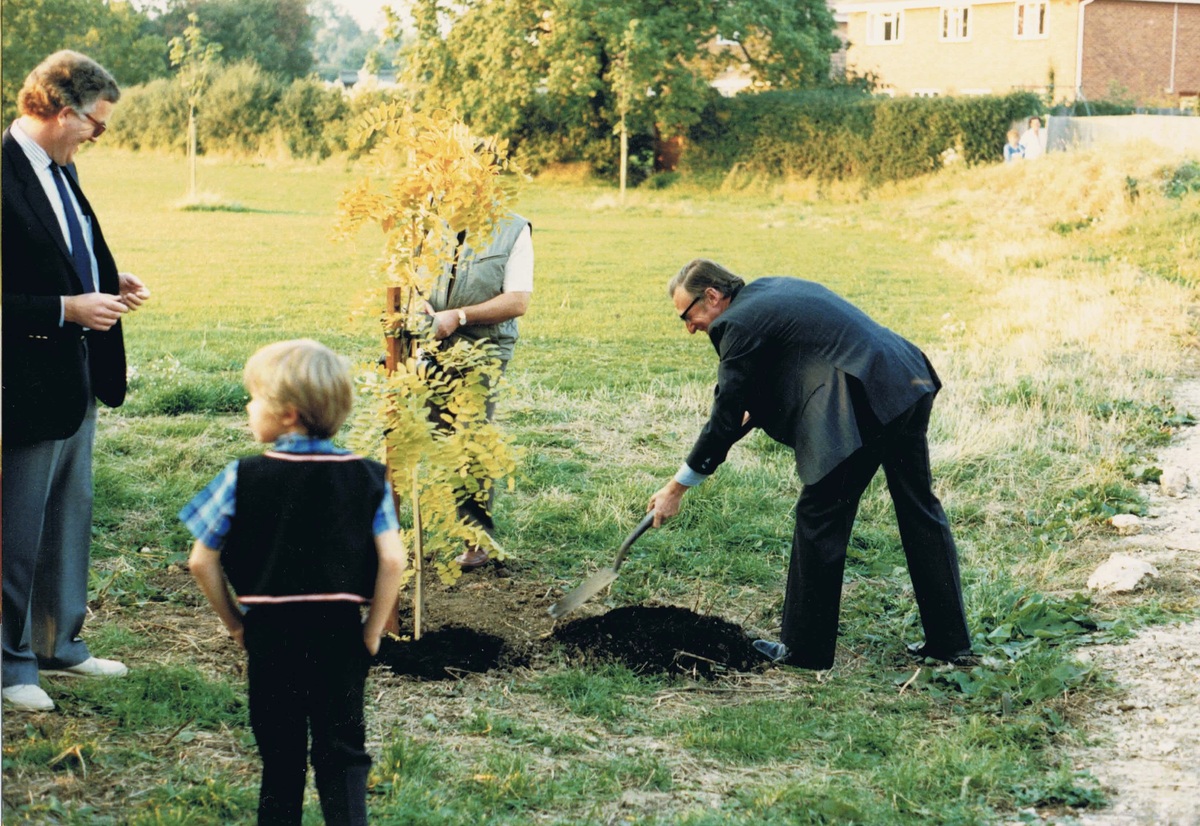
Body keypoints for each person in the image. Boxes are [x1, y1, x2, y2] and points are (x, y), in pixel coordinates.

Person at [647, 260, 973, 671]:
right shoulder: (767, 292)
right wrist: (741, 420)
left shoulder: (736, 324)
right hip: (905, 379)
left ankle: (804, 650)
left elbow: (725, 416)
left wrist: (676, 488)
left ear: (711, 296)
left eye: (688, 315)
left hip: (864, 400)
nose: (690, 327)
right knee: (919, 508)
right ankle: (950, 642)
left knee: (819, 515)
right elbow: (761, 389)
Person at [181, 339, 407, 826]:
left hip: (271, 633)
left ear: (287, 414)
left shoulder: (242, 476)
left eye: (254, 398)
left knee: (280, 755)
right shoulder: (369, 478)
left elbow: (201, 561)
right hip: (340, 633)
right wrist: (371, 632)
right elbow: (393, 559)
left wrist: (235, 623)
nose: (248, 407)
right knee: (343, 750)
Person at [2, 50, 152, 712]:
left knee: (68, 515)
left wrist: (104, 280)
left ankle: (59, 644)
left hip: (77, 374)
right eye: (97, 123)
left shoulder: (62, 167)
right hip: (22, 384)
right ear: (62, 112)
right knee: (15, 531)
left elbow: (57, 254)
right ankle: (10, 665)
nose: (99, 135)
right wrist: (66, 309)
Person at [423, 213, 533, 570]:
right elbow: (406, 280)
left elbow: (517, 301)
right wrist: (417, 306)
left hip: (483, 349)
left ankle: (476, 541)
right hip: (429, 344)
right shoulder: (427, 218)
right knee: (439, 436)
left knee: (469, 438)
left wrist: (459, 317)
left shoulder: (513, 229)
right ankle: (436, 525)